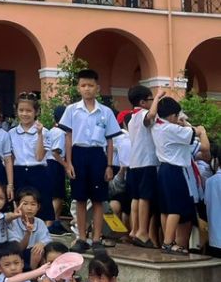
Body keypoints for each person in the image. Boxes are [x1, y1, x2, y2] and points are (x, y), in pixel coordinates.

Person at [59, 69, 120, 251]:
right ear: (78, 88)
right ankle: (82, 238)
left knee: (98, 199)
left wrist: (109, 165)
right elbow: (68, 137)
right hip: (78, 154)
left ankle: (96, 239)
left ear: (97, 88)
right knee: (79, 198)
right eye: (83, 85)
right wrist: (69, 163)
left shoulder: (106, 112)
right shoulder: (72, 110)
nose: (87, 89)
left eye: (91, 85)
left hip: (97, 155)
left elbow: (110, 141)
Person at [147, 93, 210, 255]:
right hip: (175, 170)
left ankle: (167, 241)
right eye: (176, 115)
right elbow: (195, 133)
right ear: (172, 115)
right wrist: (201, 130)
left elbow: (153, 114)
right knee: (175, 208)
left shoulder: (156, 126)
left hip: (163, 169)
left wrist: (157, 100)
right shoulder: (172, 129)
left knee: (165, 208)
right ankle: (168, 243)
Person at [125, 84, 159, 248]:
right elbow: (151, 115)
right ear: (143, 102)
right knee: (145, 197)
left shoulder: (132, 118)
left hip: (134, 163)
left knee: (136, 197)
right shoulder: (143, 113)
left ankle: (135, 230)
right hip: (146, 161)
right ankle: (143, 232)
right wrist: (158, 97)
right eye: (150, 99)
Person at [6, 95, 48, 210]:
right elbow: (10, 159)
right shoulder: (11, 133)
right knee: (19, 208)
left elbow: (39, 157)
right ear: (16, 111)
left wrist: (39, 134)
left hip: (38, 172)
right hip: (18, 173)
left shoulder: (44, 132)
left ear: (36, 112)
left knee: (39, 207)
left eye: (29, 110)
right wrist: (10, 184)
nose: (24, 114)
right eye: (21, 110)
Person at [6, 187, 50, 268]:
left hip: (36, 256)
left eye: (33, 204)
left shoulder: (40, 222)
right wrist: (28, 233)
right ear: (17, 205)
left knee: (43, 250)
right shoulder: (13, 223)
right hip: (18, 256)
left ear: (38, 207)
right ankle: (32, 273)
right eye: (25, 204)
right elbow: (18, 248)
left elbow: (47, 239)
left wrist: (42, 244)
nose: (29, 208)